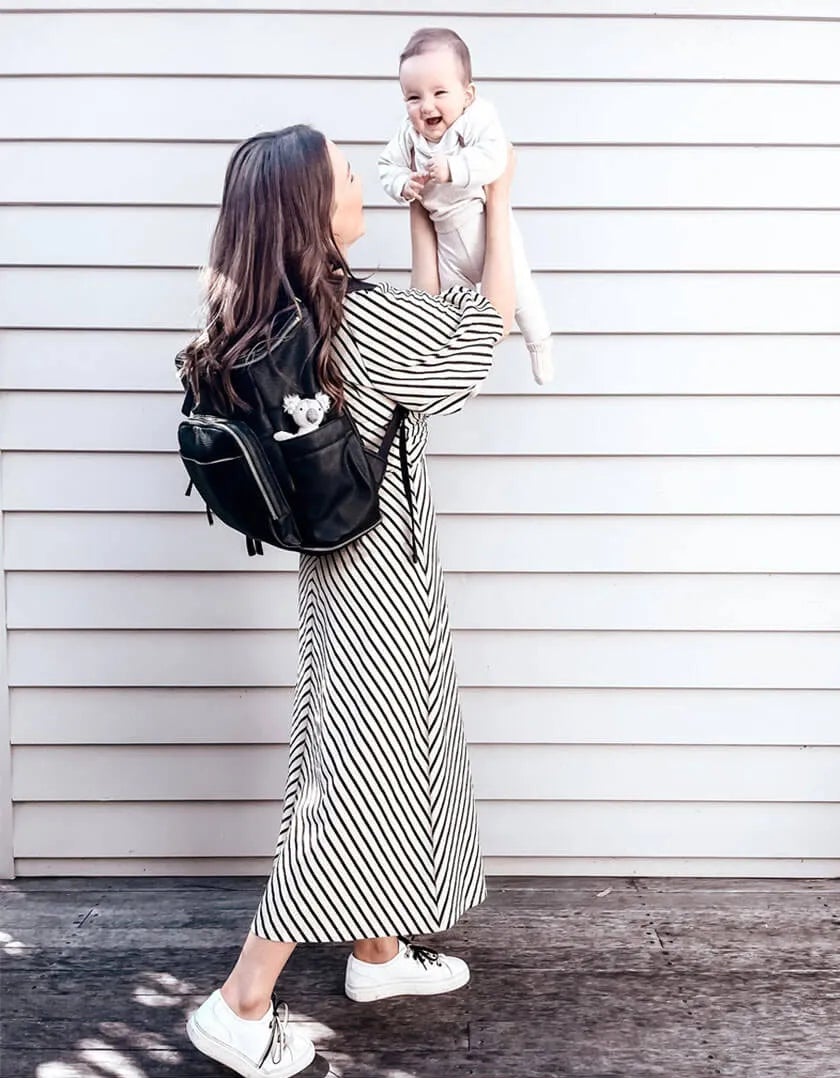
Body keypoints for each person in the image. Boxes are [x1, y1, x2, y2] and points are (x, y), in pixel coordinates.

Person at [175, 123, 516, 1078]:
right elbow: (476, 336)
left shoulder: (279, 320)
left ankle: (374, 954)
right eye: (344, 177)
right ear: (308, 211)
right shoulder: (357, 324)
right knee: (350, 786)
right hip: (384, 586)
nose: (361, 181)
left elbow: (430, 318)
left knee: (365, 760)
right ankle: (241, 1005)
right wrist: (498, 193)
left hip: (335, 579)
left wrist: (418, 216)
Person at [377, 26, 554, 384]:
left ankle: (540, 344)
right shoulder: (407, 136)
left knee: (519, 291)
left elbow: (495, 158)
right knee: (455, 312)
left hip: (483, 226)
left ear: (467, 95)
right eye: (413, 97)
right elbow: (386, 166)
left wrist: (454, 168)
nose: (426, 105)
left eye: (439, 92)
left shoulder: (478, 119)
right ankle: (466, 375)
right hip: (445, 239)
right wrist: (402, 184)